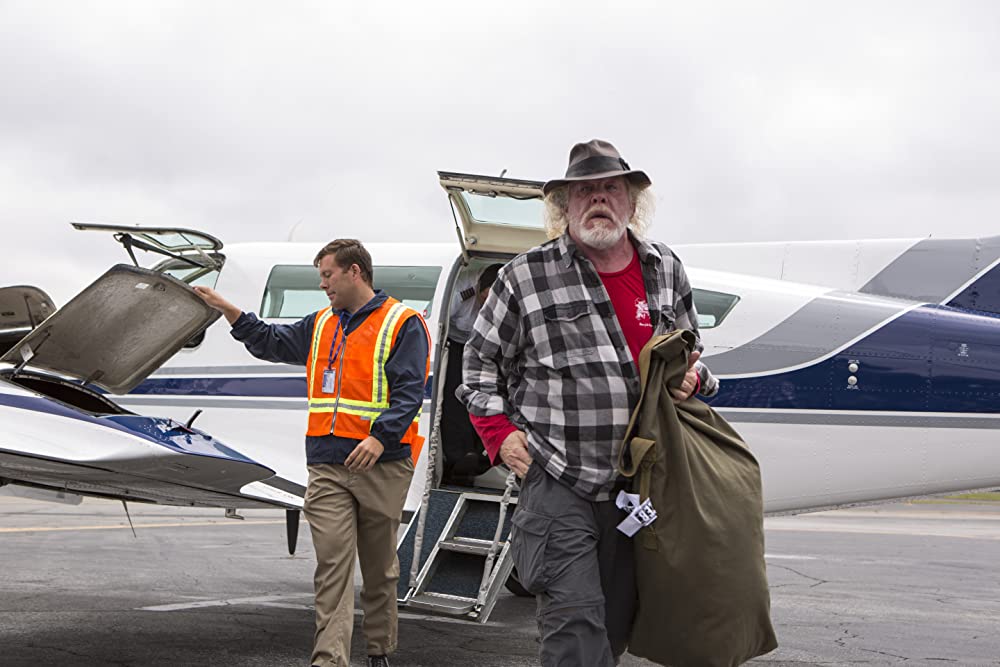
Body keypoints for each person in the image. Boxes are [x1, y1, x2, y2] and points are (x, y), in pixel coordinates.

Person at [459, 139, 719, 666]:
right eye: (585, 191)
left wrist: (692, 379)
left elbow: (688, 353)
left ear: (631, 201)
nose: (598, 198)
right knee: (574, 625)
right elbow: (478, 365)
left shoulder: (666, 268)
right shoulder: (524, 276)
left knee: (616, 625)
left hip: (640, 483)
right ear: (565, 205)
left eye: (610, 188)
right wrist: (499, 435)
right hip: (560, 479)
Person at [193, 239, 429, 667]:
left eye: (327, 275)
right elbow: (270, 341)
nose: (323, 285)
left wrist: (380, 437)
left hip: (382, 464)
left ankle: (379, 649)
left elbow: (410, 392)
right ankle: (329, 661)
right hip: (326, 465)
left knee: (380, 570)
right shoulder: (320, 324)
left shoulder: (403, 322)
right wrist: (228, 310)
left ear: (355, 272)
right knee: (332, 568)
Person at [440, 263, 503, 485]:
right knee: (455, 397)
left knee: (486, 397)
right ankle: (457, 455)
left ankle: (480, 453)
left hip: (486, 347)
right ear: (478, 288)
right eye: (484, 299)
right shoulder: (464, 286)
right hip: (456, 343)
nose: (486, 306)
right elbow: (441, 317)